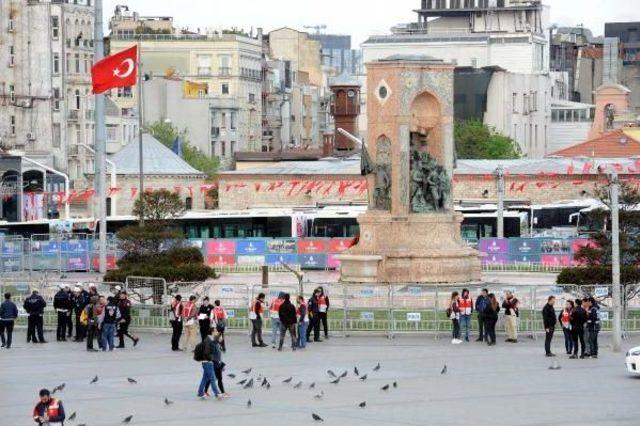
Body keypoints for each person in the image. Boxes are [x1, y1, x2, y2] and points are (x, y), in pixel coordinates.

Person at [197, 328, 222, 400]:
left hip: (207, 362)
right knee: (212, 378)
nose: (217, 332)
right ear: (212, 332)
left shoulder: (210, 339)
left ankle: (200, 392)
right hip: (207, 362)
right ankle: (217, 394)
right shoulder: (208, 340)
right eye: (216, 331)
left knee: (205, 378)